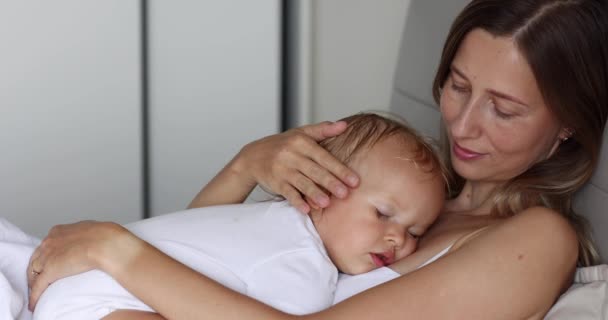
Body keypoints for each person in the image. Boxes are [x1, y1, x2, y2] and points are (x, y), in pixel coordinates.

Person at [27, 0, 608, 319]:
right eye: (457, 86)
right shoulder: (403, 185)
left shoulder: (538, 238)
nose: (462, 123)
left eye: (503, 110)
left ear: (565, 126)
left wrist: (115, 248)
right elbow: (201, 261)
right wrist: (244, 169)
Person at [30, 113, 446, 319]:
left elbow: (193, 233)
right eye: (383, 213)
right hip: (107, 302)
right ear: (319, 188)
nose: (399, 240)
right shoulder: (302, 260)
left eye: (415, 231)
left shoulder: (261, 220)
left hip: (77, 286)